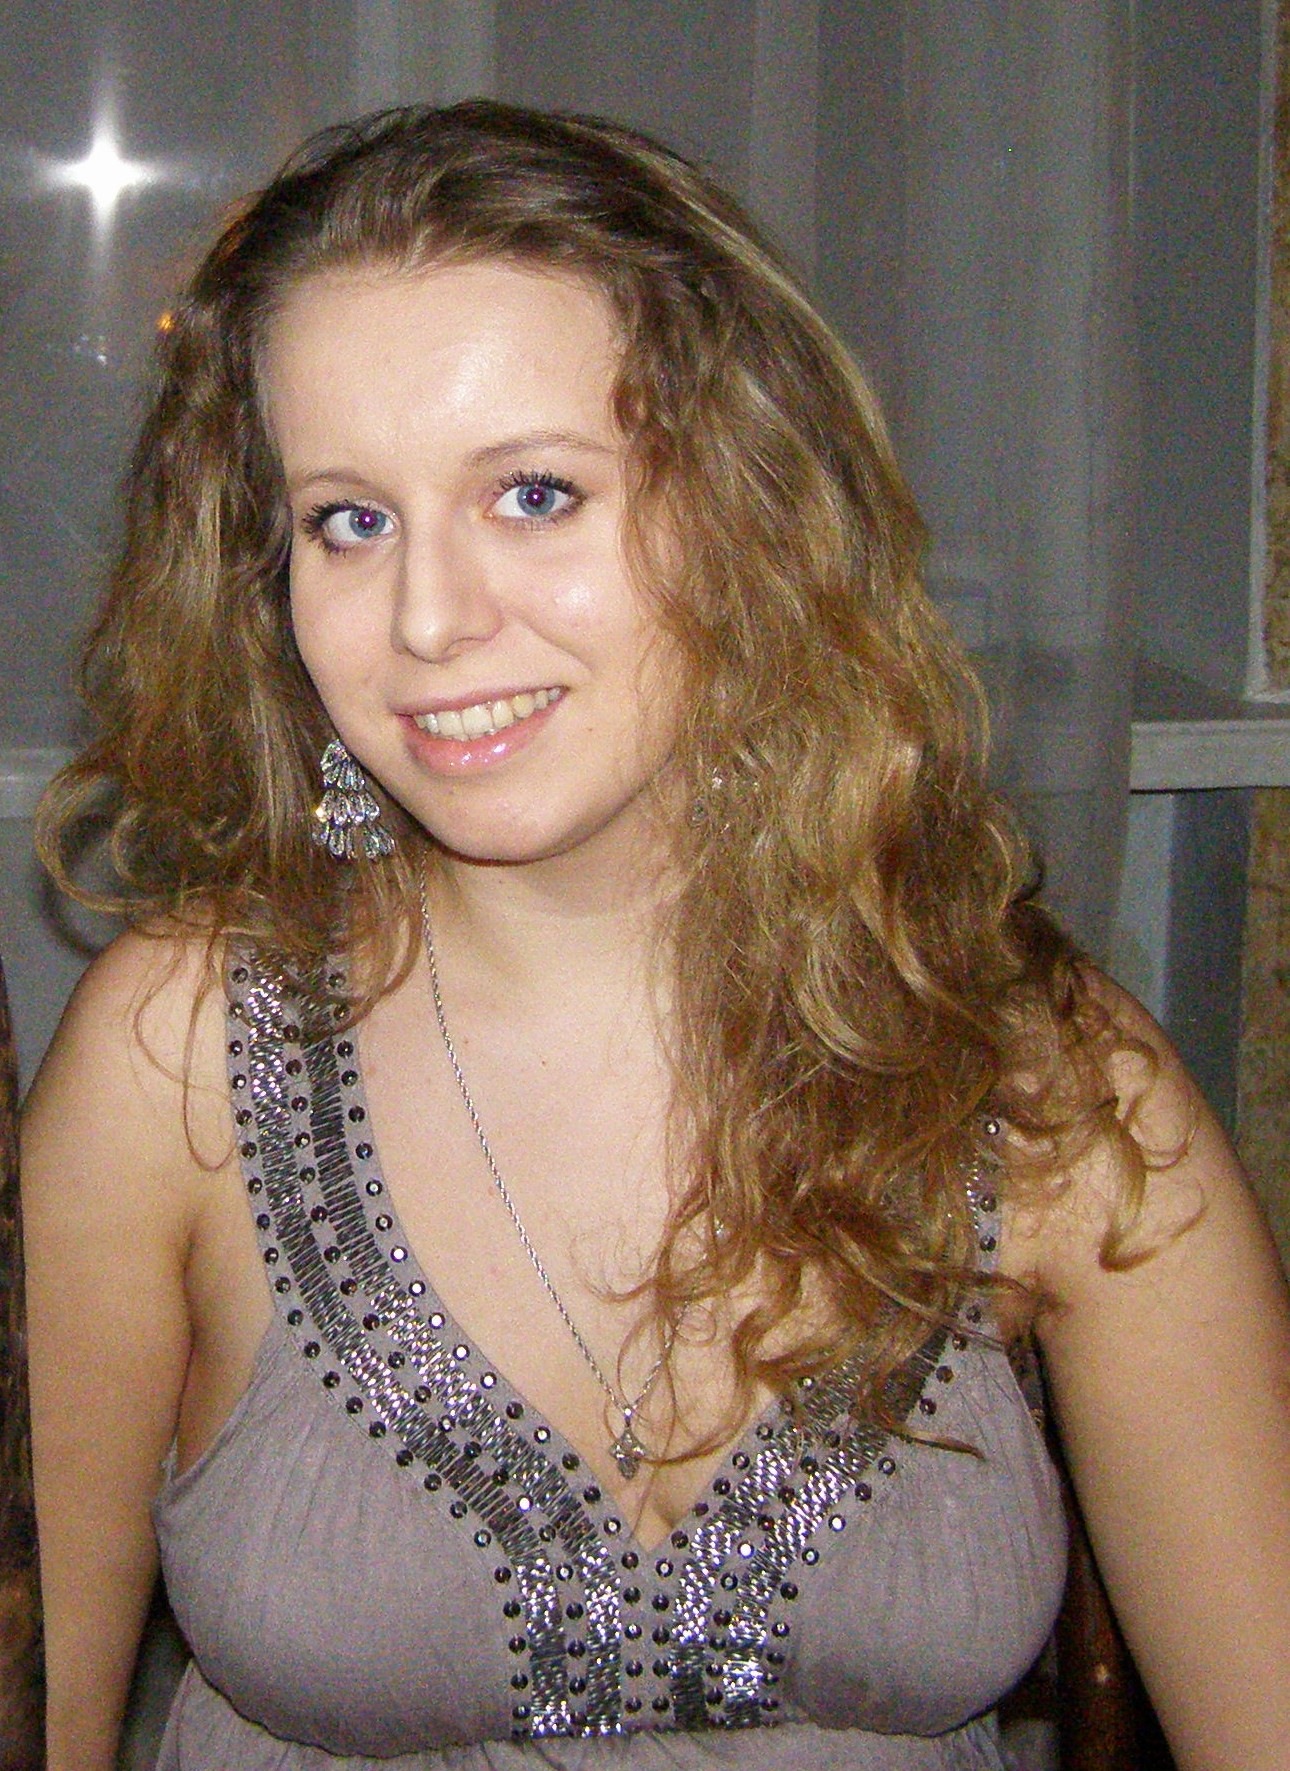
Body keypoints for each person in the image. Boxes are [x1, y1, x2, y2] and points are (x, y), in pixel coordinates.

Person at [19, 100, 1290, 1771]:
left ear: (748, 511)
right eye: (348, 520)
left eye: (535, 493)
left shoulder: (1025, 1075)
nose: (427, 619)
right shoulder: (175, 1060)